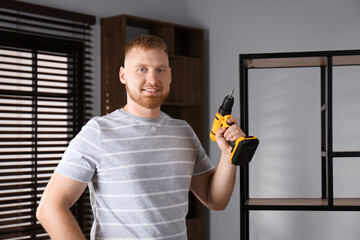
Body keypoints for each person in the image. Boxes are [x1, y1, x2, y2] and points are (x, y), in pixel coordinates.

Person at [37, 34, 245, 240]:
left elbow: (215, 200)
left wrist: (228, 155)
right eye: (142, 69)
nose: (153, 79)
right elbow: (50, 208)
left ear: (170, 75)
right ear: (123, 75)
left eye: (160, 70)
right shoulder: (98, 132)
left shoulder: (183, 131)